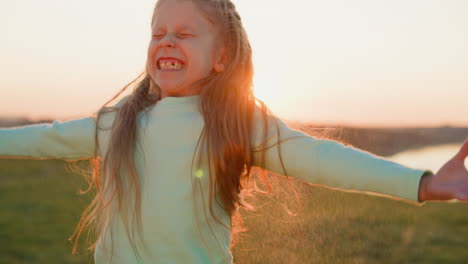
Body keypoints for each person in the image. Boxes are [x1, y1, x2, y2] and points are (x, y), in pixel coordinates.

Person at [1, 0, 467, 263]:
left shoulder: (238, 125)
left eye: (184, 34)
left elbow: (324, 159)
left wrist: (421, 183)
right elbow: (44, 137)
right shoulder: (116, 123)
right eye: (158, 31)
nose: (166, 40)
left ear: (221, 57)